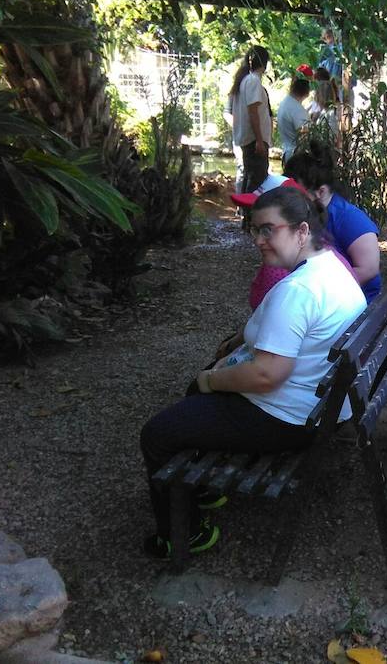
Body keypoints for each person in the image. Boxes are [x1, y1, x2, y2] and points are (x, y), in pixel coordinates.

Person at [139, 188, 367, 558]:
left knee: (157, 434)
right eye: (254, 230)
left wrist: (211, 379)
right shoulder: (332, 268)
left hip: (289, 420)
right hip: (322, 409)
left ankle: (186, 534)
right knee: (194, 396)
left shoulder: (299, 290)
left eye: (268, 230)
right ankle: (204, 487)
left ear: (301, 231)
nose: (259, 241)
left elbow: (266, 375)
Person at [285, 140, 382, 302]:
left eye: (296, 191)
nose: (290, 196)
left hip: (352, 305)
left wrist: (318, 291)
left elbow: (369, 270)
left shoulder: (350, 219)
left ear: (320, 191)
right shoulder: (311, 212)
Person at [230, 46, 272, 193]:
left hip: (248, 140)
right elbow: (253, 112)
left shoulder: (243, 81)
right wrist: (260, 140)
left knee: (250, 177)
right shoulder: (253, 81)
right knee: (257, 182)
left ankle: (245, 213)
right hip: (254, 141)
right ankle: (250, 214)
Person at [277, 77, 311, 164]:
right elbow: (304, 136)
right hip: (296, 156)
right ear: (307, 92)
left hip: (287, 152)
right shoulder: (297, 110)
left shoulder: (284, 103)